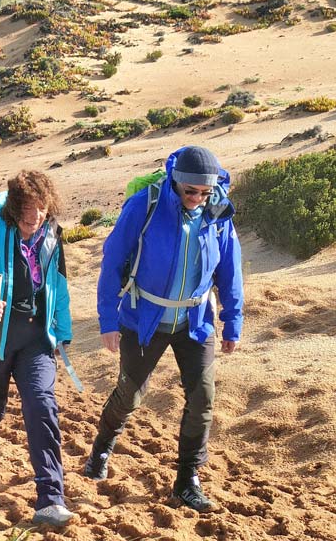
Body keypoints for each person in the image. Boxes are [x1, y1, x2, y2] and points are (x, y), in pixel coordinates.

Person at [86, 146, 244, 513]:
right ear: (175, 182)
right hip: (144, 319)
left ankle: (188, 479)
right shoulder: (146, 205)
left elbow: (230, 270)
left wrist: (232, 321)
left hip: (195, 321)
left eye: (204, 192)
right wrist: (108, 320)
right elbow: (112, 261)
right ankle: (102, 447)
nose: (197, 199)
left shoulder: (218, 212)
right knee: (131, 394)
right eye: (191, 191)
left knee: (203, 397)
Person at [0, 170, 75, 528]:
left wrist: (63, 333)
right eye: (25, 208)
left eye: (39, 208)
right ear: (13, 208)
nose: (33, 216)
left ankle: (51, 498)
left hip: (36, 340)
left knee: (41, 406)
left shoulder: (53, 239)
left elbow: (60, 287)